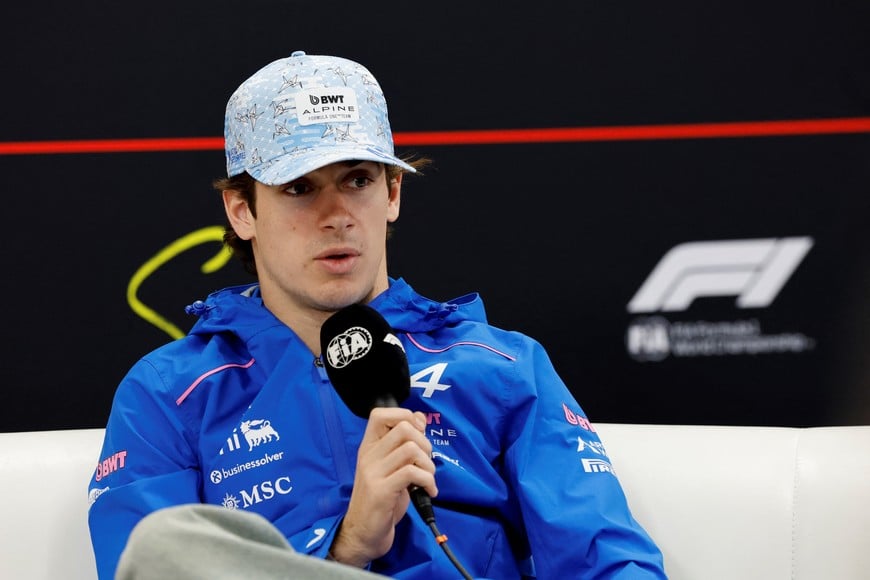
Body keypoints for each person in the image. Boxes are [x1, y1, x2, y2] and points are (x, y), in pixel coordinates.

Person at [87, 50, 667, 579]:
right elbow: (148, 566)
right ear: (242, 211)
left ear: (392, 194)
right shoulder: (169, 391)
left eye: (358, 180)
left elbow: (611, 562)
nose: (336, 214)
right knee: (163, 544)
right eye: (298, 188)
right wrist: (347, 545)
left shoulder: (500, 365)